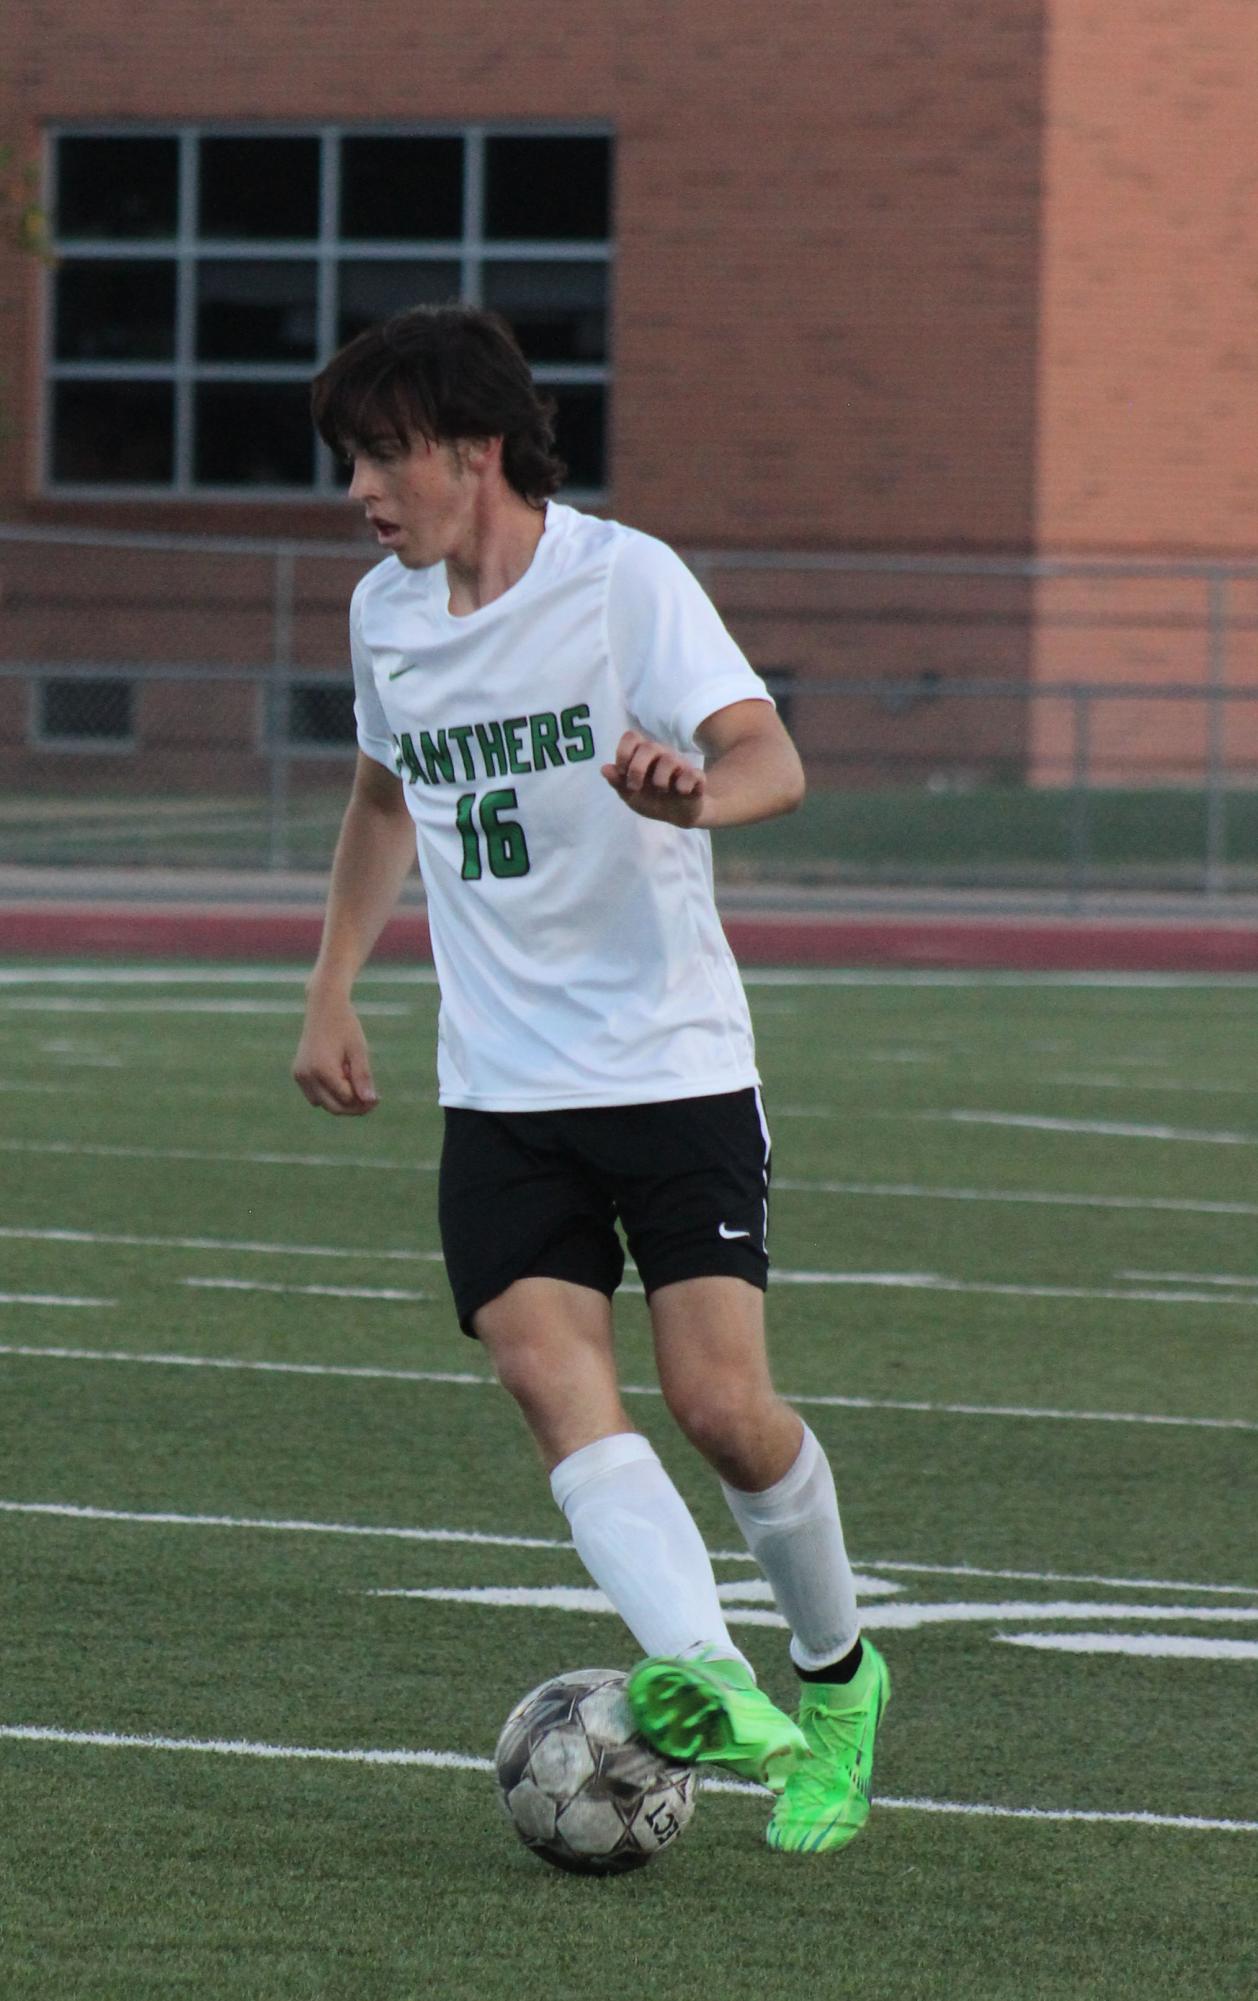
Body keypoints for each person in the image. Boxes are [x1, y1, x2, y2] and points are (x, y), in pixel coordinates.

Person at [293, 303, 889, 1854]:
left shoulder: (625, 581)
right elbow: (380, 793)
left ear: (472, 450)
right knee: (544, 1371)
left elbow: (772, 757)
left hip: (671, 1064)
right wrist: (333, 985)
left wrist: (692, 798)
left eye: (379, 453)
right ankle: (699, 1668)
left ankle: (837, 1679)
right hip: (500, 1084)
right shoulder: (384, 614)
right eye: (349, 458)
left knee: (720, 1406)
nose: (359, 488)